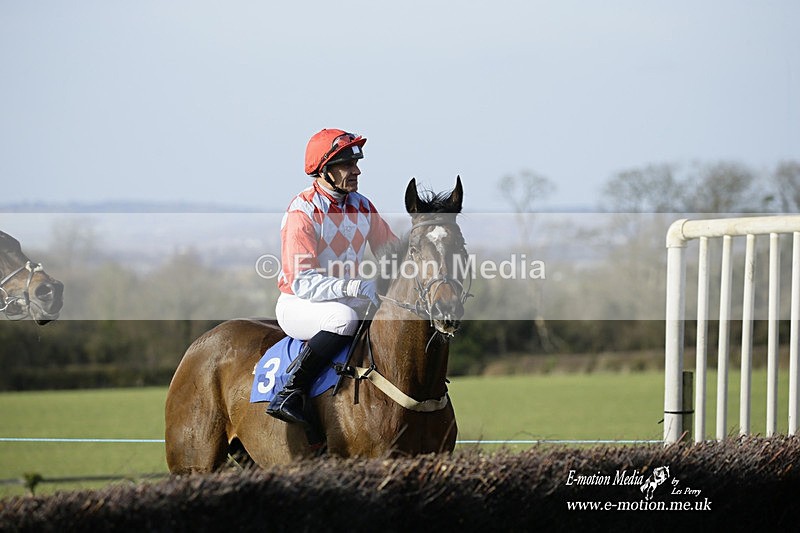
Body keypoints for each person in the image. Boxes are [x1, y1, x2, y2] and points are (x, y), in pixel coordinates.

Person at [267, 128, 398, 426]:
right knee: (343, 318)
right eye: (347, 165)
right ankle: (290, 391)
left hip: (346, 298)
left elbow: (392, 254)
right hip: (300, 302)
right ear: (324, 169)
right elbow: (302, 281)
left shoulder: (362, 205)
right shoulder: (303, 210)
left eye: (357, 163)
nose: (357, 171)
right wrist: (356, 285)